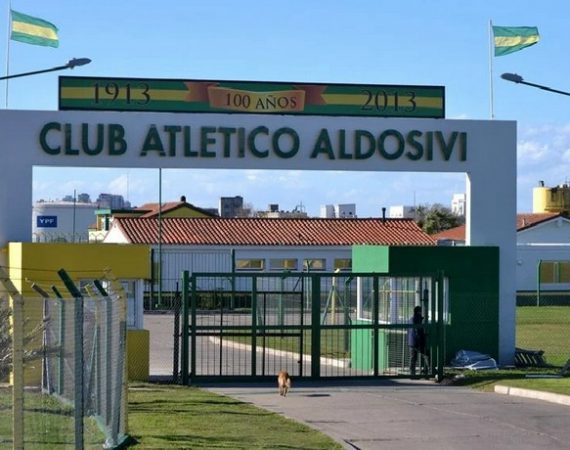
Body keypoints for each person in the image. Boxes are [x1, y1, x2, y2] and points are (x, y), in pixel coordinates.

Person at [408, 305, 429, 377]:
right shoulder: (418, 319)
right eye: (421, 311)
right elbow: (418, 330)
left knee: (413, 358)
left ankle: (412, 373)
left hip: (411, 342)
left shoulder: (411, 319)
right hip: (418, 341)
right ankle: (428, 371)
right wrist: (422, 338)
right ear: (419, 312)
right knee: (426, 355)